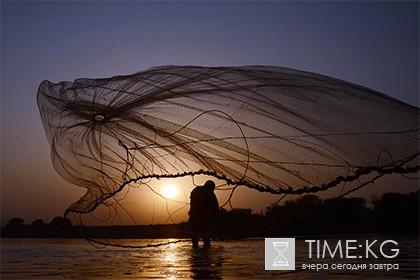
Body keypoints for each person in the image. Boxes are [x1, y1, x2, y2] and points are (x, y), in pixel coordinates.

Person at [188, 180, 219, 248]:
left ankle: (198, 251)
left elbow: (215, 207)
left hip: (200, 218)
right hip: (199, 218)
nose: (213, 190)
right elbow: (215, 207)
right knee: (200, 235)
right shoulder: (199, 191)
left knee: (201, 235)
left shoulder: (199, 191)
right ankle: (202, 250)